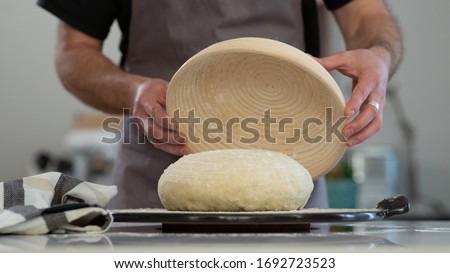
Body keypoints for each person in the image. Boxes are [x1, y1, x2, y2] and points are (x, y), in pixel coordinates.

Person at [37, 0, 402, 209]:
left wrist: (379, 57)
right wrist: (132, 91)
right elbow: (73, 53)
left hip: (290, 194)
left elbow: (369, 16)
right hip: (153, 187)